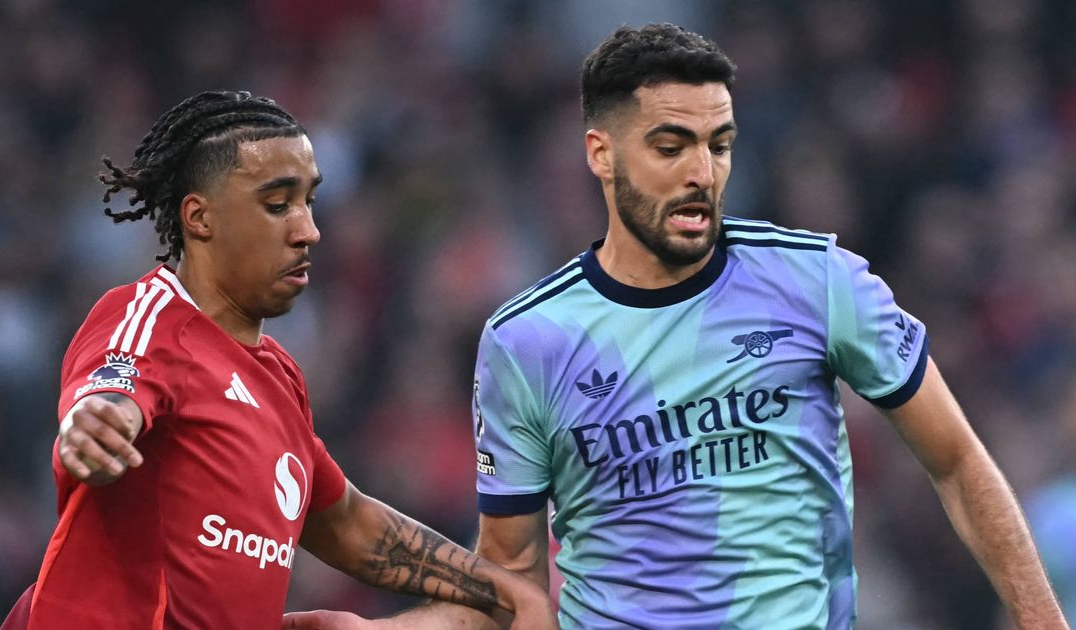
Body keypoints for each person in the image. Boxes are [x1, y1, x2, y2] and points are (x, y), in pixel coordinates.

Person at [283, 24, 1069, 630]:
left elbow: (957, 461)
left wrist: (1043, 622)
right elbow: (512, 587)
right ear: (601, 154)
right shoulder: (526, 342)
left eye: (718, 145)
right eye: (671, 146)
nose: (702, 172)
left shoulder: (817, 282)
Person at [1, 90, 557, 630]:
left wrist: (504, 589)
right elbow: (112, 393)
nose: (308, 230)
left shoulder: (278, 374)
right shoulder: (148, 317)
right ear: (199, 217)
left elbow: (347, 522)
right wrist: (96, 424)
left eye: (308, 201)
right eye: (277, 205)